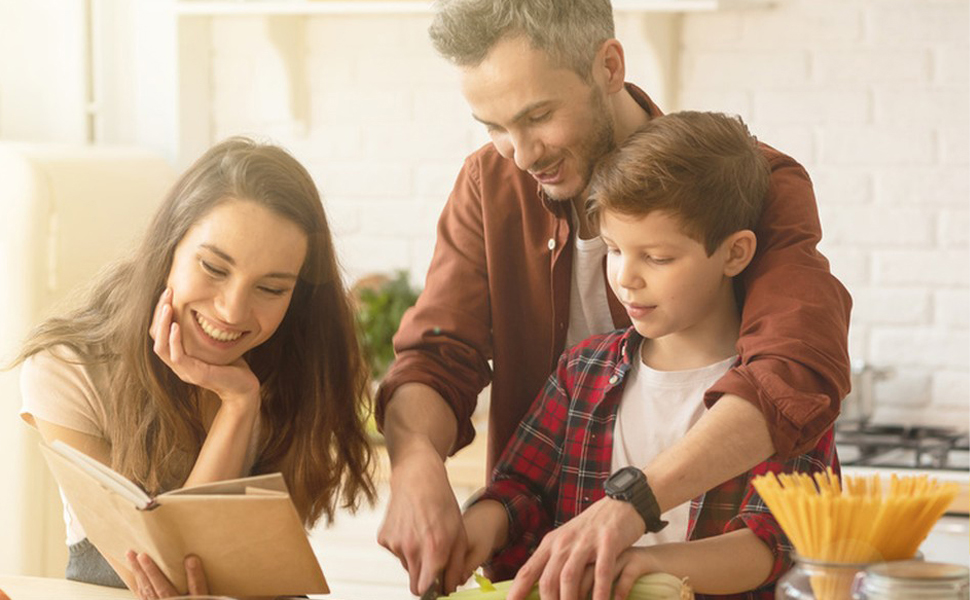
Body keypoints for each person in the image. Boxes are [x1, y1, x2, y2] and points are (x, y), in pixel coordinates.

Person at [374, 1, 852, 598]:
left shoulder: (746, 182)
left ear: (609, 65)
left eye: (538, 115)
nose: (521, 155)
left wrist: (629, 504)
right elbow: (438, 358)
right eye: (493, 127)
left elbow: (793, 372)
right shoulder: (488, 183)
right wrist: (415, 460)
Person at [459, 111, 839, 599]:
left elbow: (769, 546)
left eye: (657, 258)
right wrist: (474, 530)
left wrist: (636, 562)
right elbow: (520, 492)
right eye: (615, 249)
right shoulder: (581, 372)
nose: (626, 278)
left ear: (735, 253)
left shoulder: (790, 399)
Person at [14, 137, 375, 598]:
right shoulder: (69, 368)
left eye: (271, 288)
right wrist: (237, 405)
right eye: (214, 268)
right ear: (169, 248)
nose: (231, 311)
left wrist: (240, 402)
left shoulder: (298, 364)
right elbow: (166, 574)